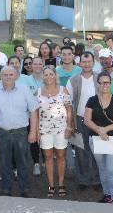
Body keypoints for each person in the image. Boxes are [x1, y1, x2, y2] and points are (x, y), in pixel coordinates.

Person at [0, 66, 39, 197]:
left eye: (10, 75)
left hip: (21, 132)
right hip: (2, 133)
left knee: (23, 162)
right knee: (4, 162)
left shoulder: (24, 90)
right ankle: (6, 189)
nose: (8, 77)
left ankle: (25, 188)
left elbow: (33, 111)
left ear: (16, 76)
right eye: (5, 75)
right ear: (1, 77)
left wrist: (33, 132)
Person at [83, 71, 113, 204]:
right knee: (102, 168)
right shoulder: (92, 100)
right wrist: (98, 130)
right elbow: (86, 120)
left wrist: (105, 130)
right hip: (96, 140)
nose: (104, 85)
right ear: (98, 84)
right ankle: (107, 194)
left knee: (111, 169)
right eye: (101, 82)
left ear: (110, 83)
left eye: (107, 82)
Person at [66, 53, 101, 190]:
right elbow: (68, 103)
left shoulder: (100, 78)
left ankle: (97, 179)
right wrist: (71, 123)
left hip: (97, 120)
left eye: (89, 61)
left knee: (96, 150)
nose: (87, 64)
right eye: (84, 62)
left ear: (93, 62)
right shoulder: (73, 80)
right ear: (79, 63)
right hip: (80, 119)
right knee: (81, 150)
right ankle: (83, 180)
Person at [37, 67, 73, 198]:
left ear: (55, 75)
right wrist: (36, 131)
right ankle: (51, 185)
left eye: (51, 74)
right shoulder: (38, 91)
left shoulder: (63, 89)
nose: (48, 77)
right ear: (43, 76)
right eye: (45, 74)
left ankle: (61, 184)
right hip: (44, 129)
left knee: (61, 156)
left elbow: (69, 109)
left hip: (61, 129)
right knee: (47, 157)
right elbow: (35, 113)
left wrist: (69, 127)